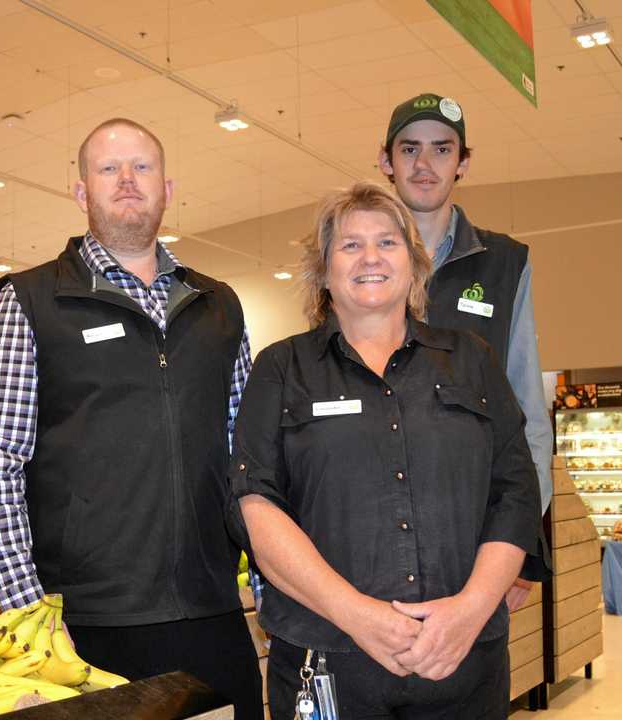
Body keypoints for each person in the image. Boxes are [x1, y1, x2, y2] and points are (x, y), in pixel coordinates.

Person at [0, 118, 262, 717]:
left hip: (213, 613)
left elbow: (249, 462)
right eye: (108, 169)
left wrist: (267, 584)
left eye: (142, 167)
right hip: (88, 625)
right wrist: (32, 614)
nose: (128, 180)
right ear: (82, 193)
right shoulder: (30, 302)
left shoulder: (219, 306)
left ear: (167, 189)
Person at [229, 182, 542, 719]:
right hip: (327, 661)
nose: (370, 257)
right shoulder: (281, 370)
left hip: (463, 664)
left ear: (414, 264)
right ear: (324, 271)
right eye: (350, 245)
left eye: (387, 242)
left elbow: (514, 493)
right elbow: (255, 505)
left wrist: (469, 612)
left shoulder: (472, 360)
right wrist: (358, 616)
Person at [379, 93, 553, 608]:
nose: (424, 164)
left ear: (464, 162)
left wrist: (517, 541)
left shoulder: (505, 264)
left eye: (441, 149)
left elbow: (528, 413)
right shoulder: (354, 256)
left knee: (469, 679)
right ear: (386, 161)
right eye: (409, 150)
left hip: (475, 532)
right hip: (379, 530)